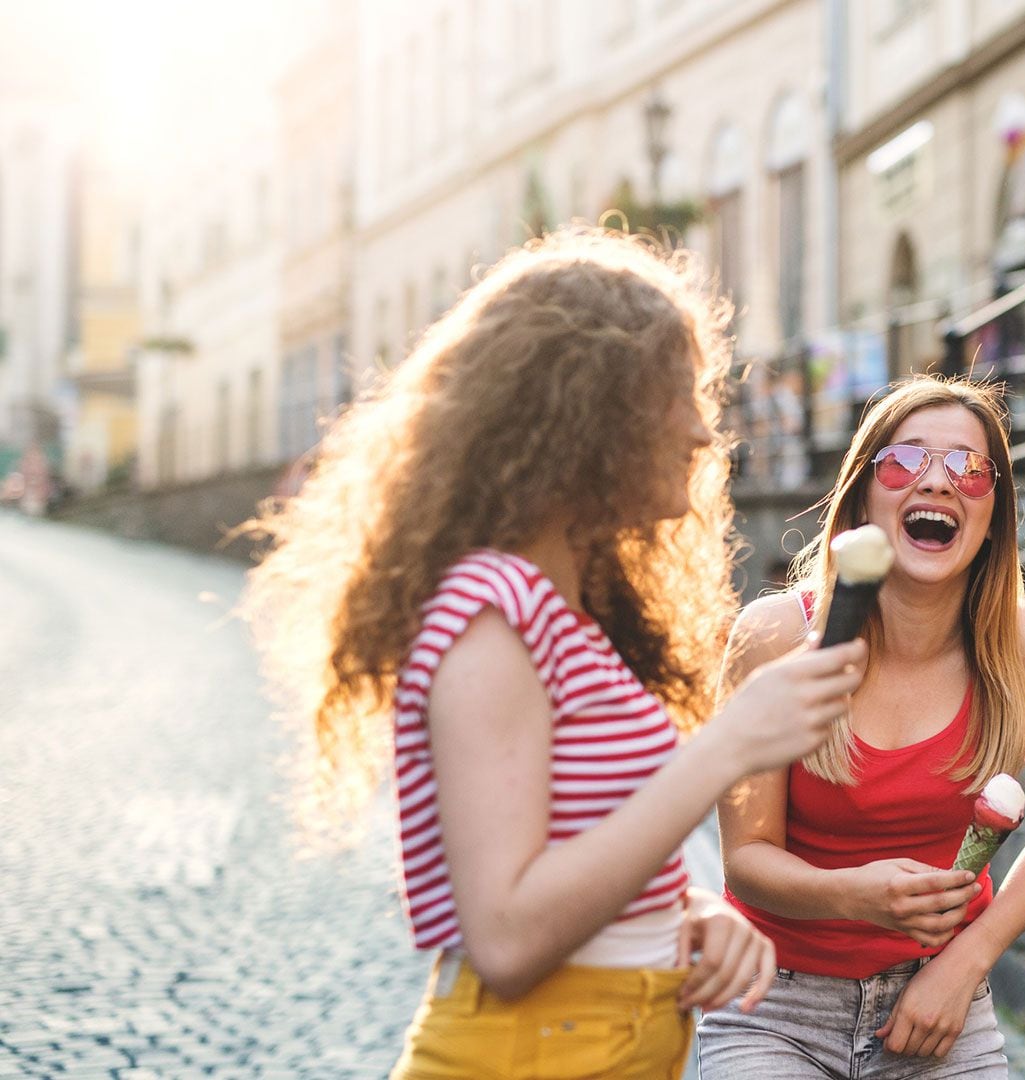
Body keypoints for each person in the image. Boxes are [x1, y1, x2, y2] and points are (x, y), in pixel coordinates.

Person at [244, 228, 869, 1078]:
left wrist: (683, 913)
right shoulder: (490, 613)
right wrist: (727, 748)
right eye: (675, 395)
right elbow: (506, 936)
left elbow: (577, 848)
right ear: (587, 414)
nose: (701, 430)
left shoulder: (565, 610)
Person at [698, 377, 1025, 1078]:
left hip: (937, 1004)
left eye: (969, 468)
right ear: (861, 499)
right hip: (773, 1005)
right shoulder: (773, 637)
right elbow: (747, 860)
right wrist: (856, 895)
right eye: (905, 461)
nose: (938, 481)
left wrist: (966, 960)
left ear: (993, 512)